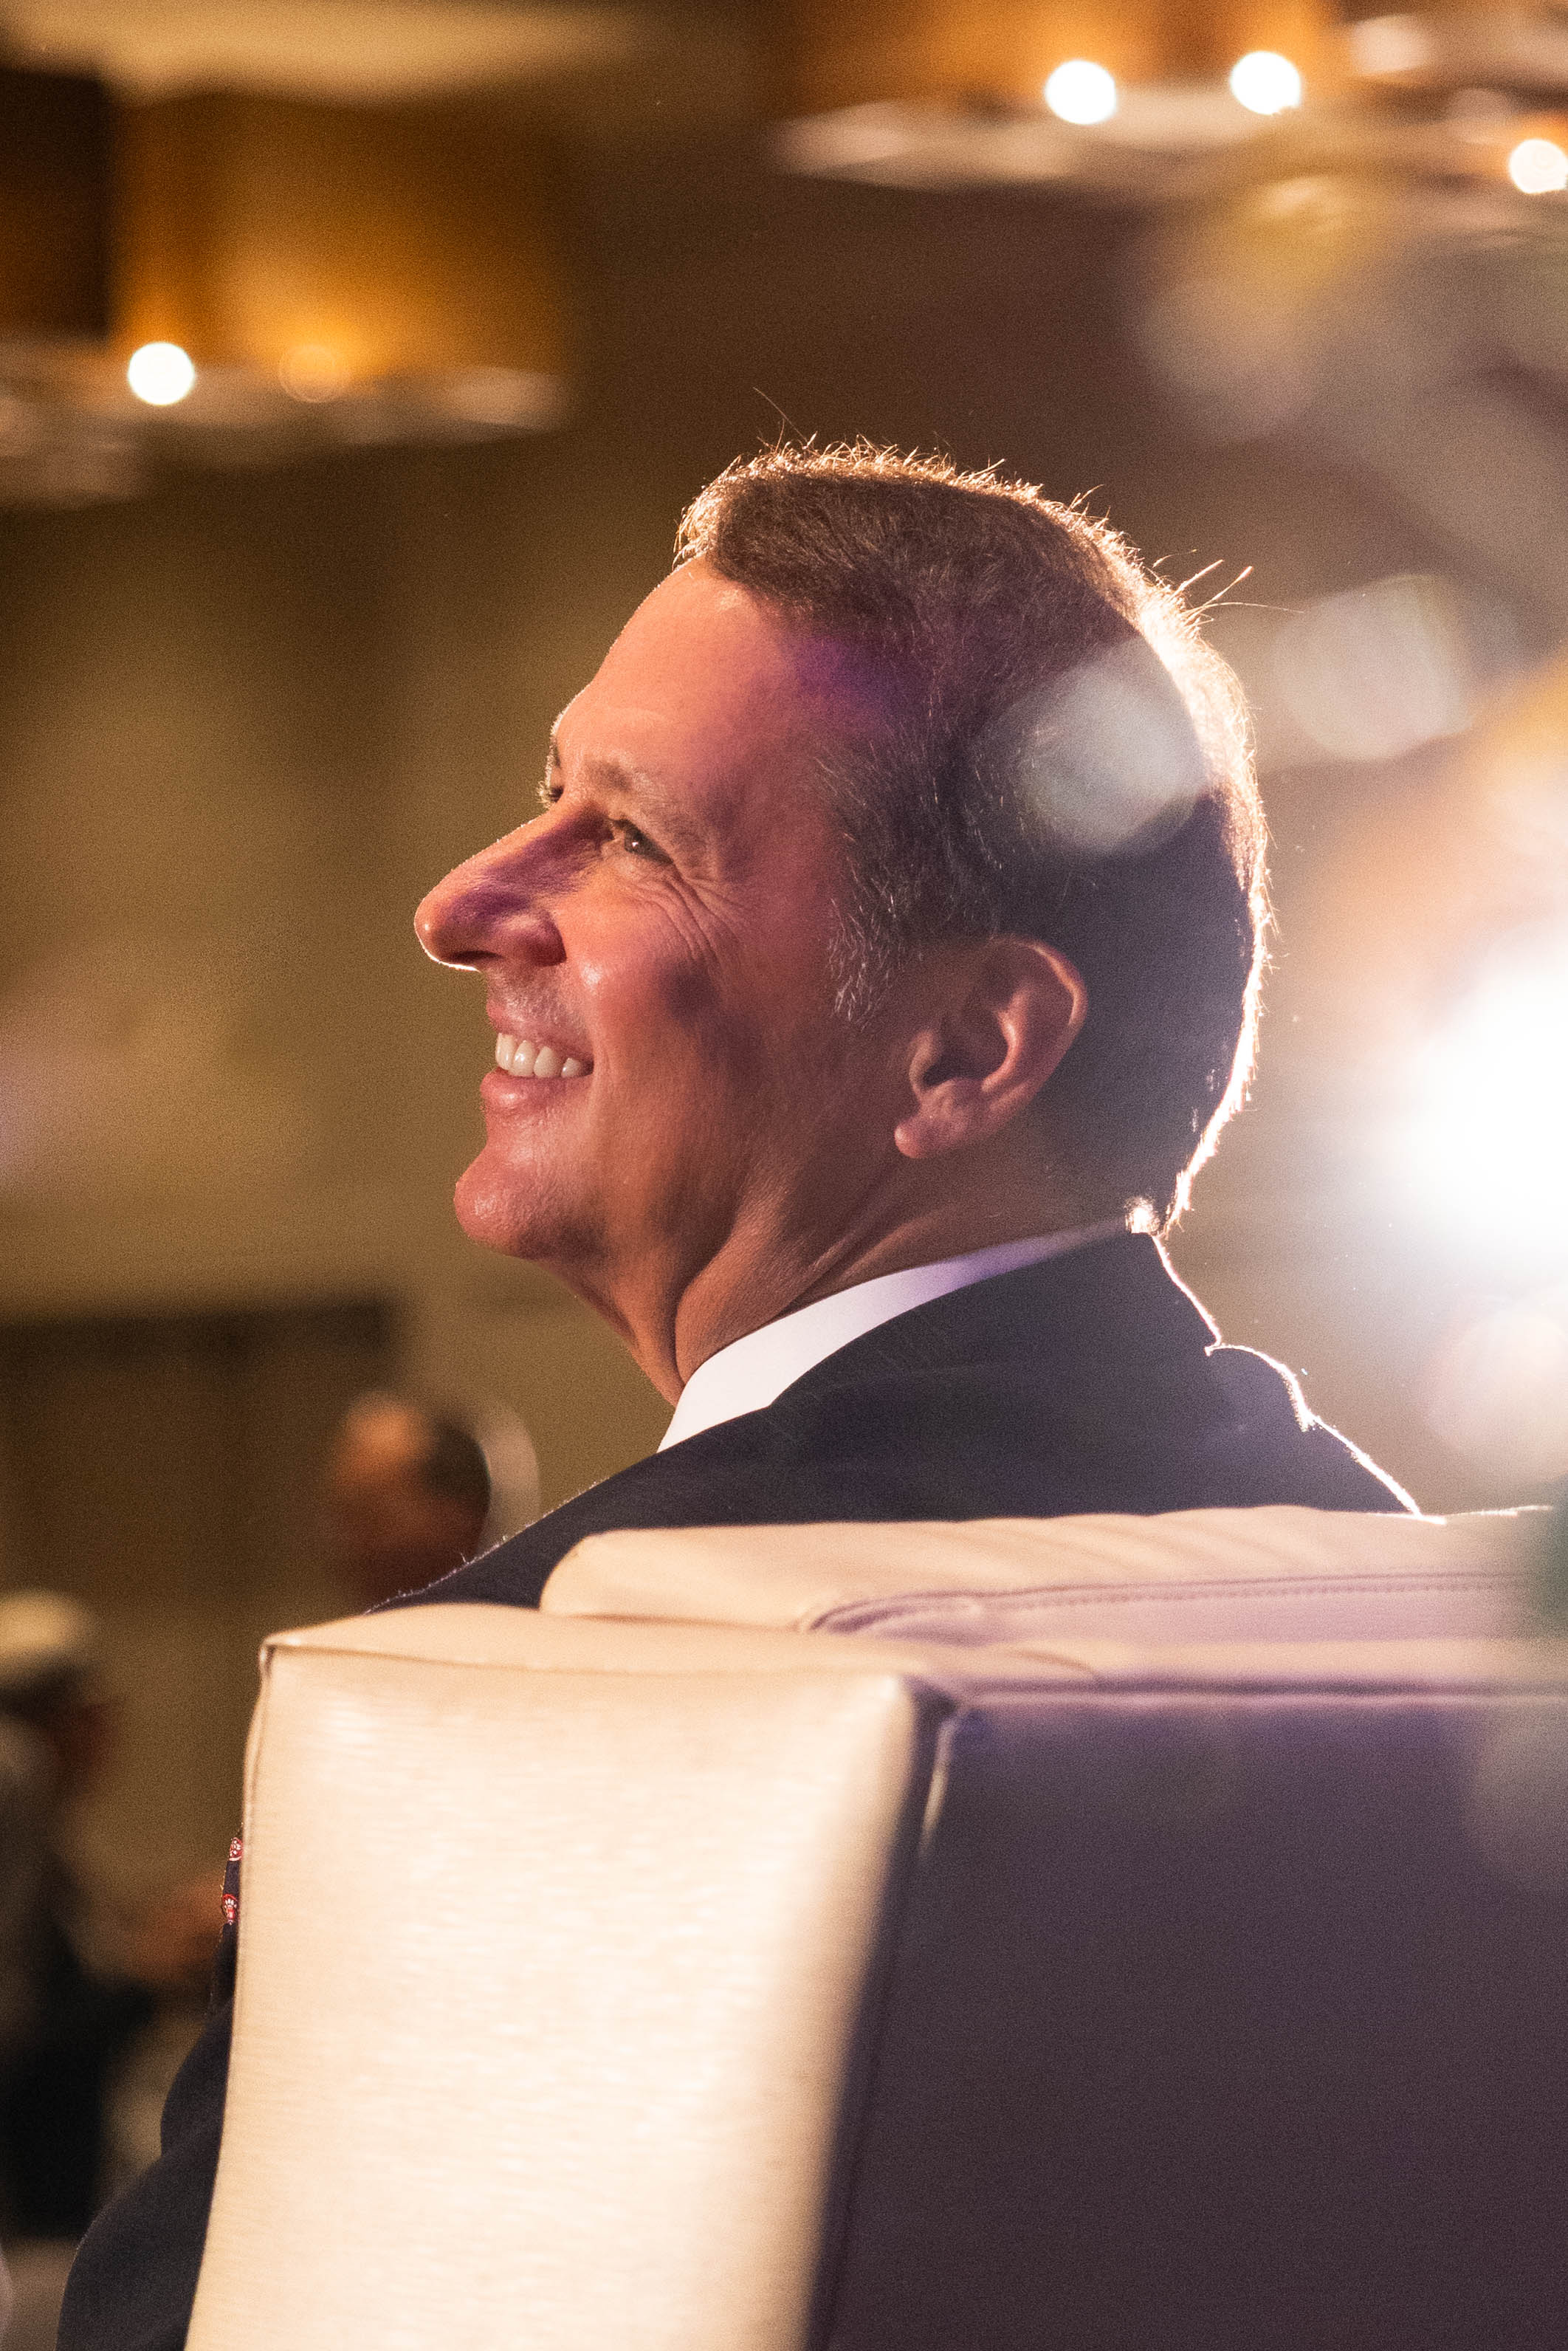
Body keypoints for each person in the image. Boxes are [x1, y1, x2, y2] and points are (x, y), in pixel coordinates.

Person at [59, 445, 1411, 2350]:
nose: (460, 904)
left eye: (627, 838)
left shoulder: (514, 1706)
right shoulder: (1392, 1583)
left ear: (961, 1046)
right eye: (546, 793)